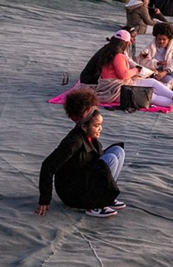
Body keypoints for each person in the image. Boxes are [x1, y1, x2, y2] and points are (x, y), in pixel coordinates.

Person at [37, 89, 125, 218]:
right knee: (110, 159)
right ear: (84, 126)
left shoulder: (91, 138)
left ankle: (106, 196)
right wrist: (44, 199)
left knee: (118, 151)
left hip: (85, 178)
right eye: (96, 125)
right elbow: (47, 166)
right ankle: (95, 204)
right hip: (73, 192)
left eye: (101, 125)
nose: (100, 128)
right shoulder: (73, 141)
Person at [94, 30, 173, 108]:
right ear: (125, 43)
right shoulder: (118, 55)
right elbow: (123, 74)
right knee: (151, 96)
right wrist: (136, 70)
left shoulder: (108, 52)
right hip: (115, 89)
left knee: (152, 82)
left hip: (119, 84)